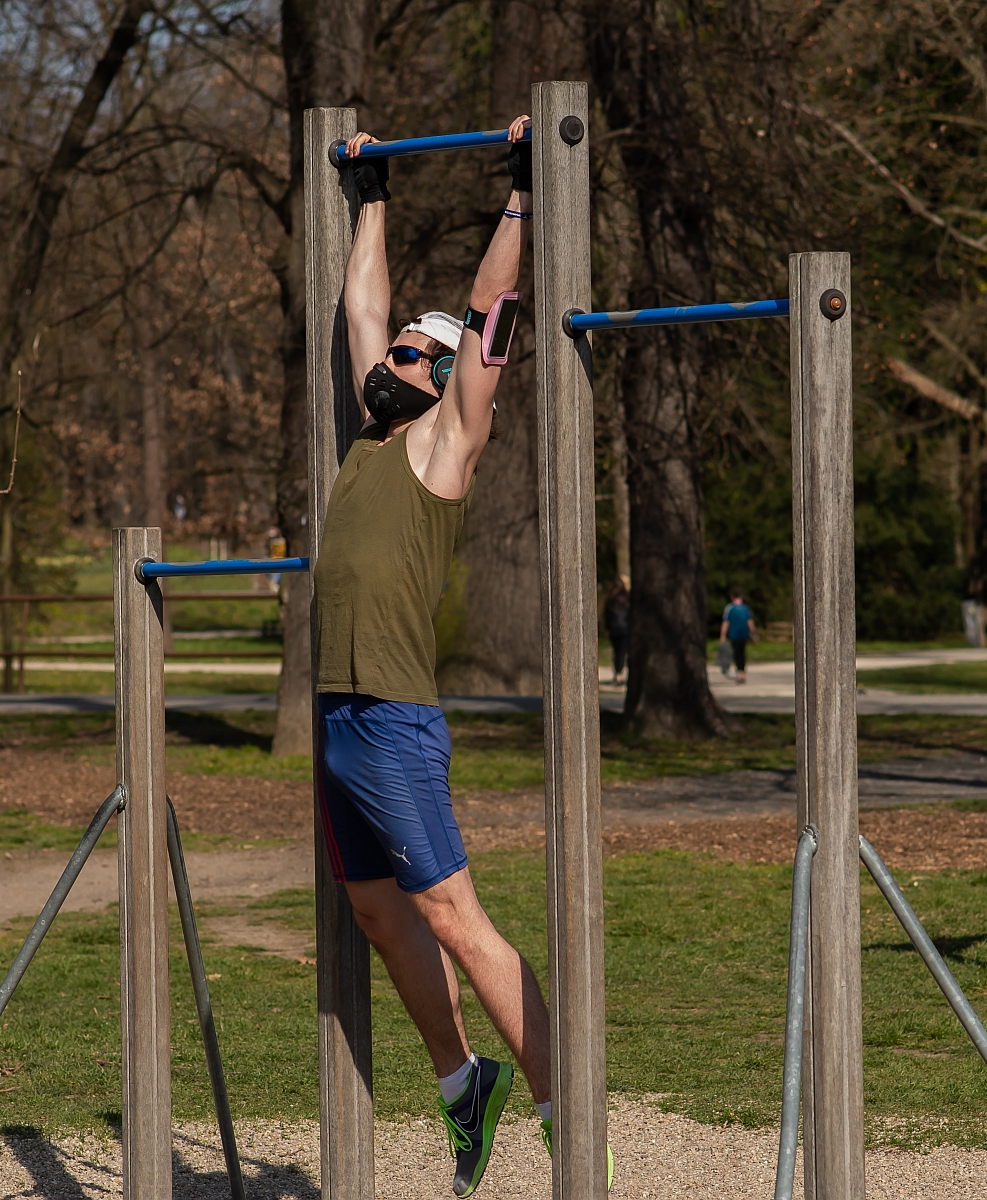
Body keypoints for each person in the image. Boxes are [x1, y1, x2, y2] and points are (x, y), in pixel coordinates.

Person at [313, 117, 596, 1198]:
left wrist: (522, 192)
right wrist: (370, 192)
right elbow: (360, 306)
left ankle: (569, 1112)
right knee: (381, 915)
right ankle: (461, 1083)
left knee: (455, 921)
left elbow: (486, 317)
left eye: (417, 355)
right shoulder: (369, 434)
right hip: (340, 723)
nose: (393, 356)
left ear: (443, 382)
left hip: (390, 717)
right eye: (395, 350)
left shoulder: (443, 445)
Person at [720, 588, 753, 684]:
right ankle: (742, 673)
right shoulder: (745, 608)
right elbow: (750, 621)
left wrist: (722, 635)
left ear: (732, 597)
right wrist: (753, 633)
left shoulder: (730, 608)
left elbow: (726, 622)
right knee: (742, 654)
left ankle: (739, 673)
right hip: (744, 634)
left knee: (737, 654)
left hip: (734, 635)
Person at [603, 576, 630, 685]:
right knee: (622, 652)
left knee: (616, 652)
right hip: (624, 629)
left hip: (614, 629)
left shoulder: (610, 599)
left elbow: (607, 615)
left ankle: (617, 673)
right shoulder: (626, 598)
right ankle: (619, 674)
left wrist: (607, 629)